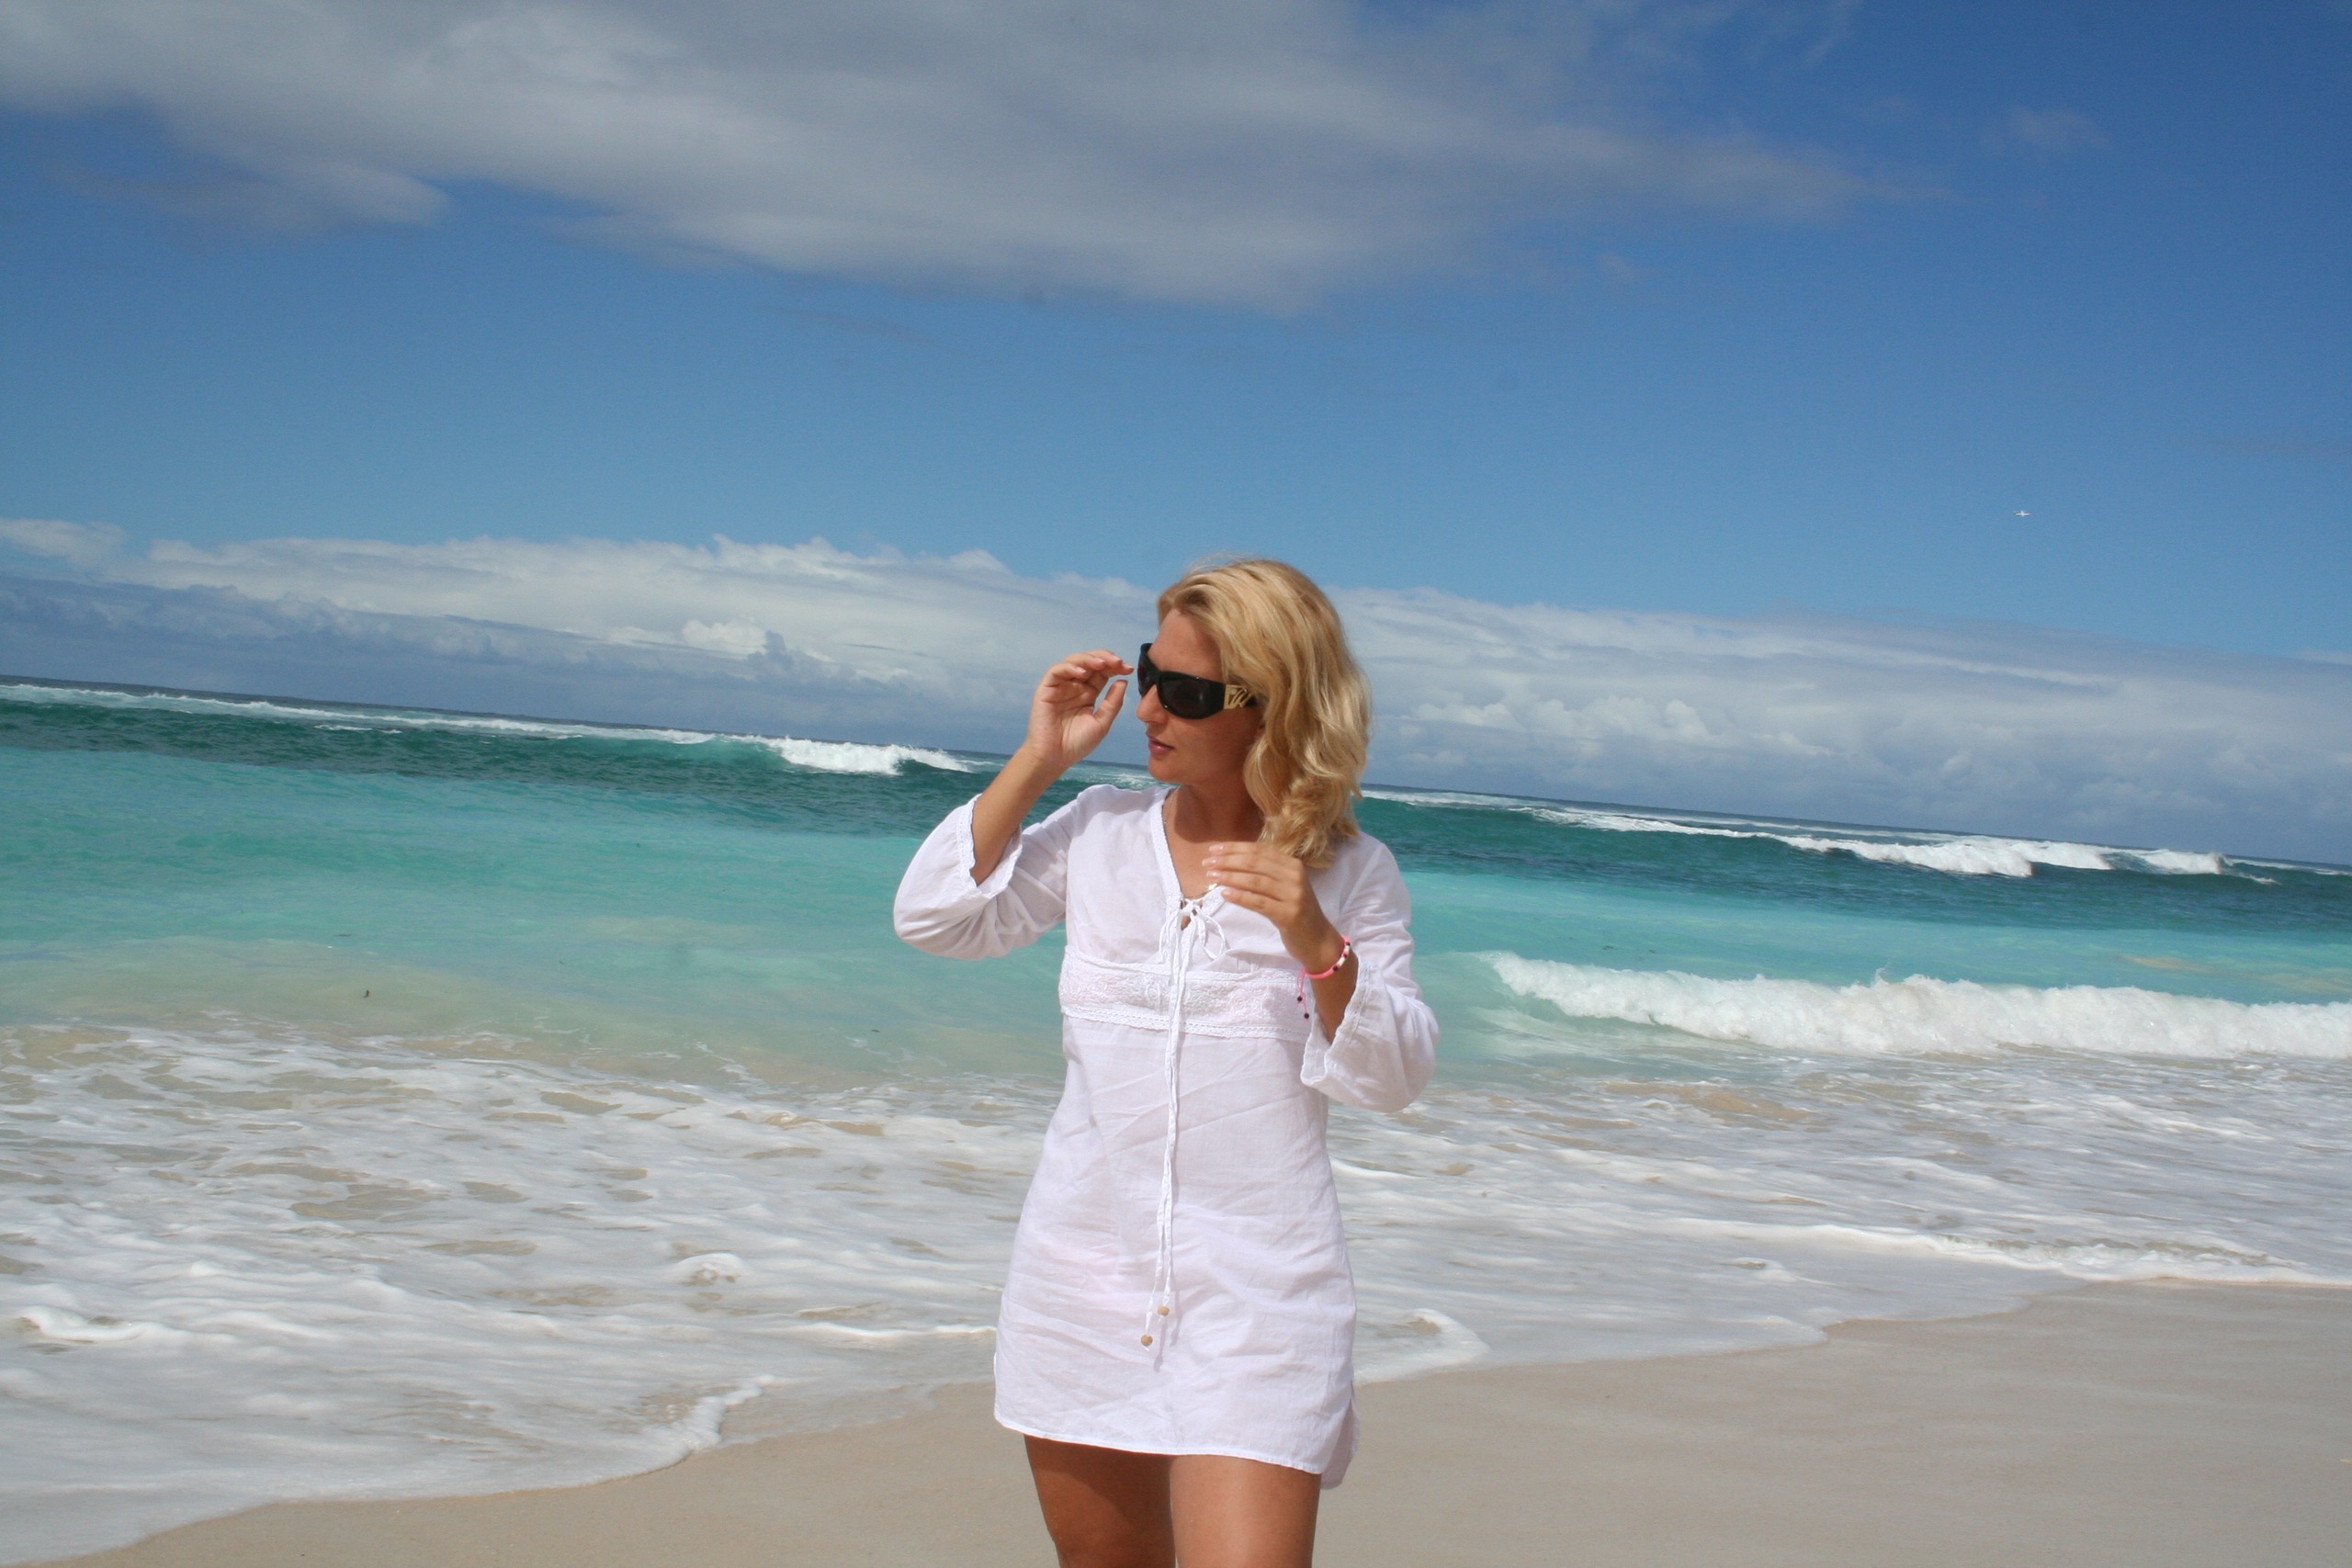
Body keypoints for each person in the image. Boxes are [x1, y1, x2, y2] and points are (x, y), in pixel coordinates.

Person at [893, 558, 1439, 1568]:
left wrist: (1318, 943)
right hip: (1078, 1285)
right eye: (1150, 673)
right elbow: (935, 918)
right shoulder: (1097, 832)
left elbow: (1394, 1075)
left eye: (1186, 692)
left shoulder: (1352, 873)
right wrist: (1039, 761)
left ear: (1274, 709)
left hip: (1263, 1300)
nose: (1147, 708)